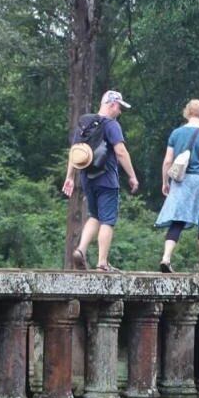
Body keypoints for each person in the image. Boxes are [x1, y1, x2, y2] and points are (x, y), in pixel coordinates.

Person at [62, 90, 140, 272]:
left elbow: (75, 152)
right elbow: (120, 151)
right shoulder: (111, 124)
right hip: (106, 178)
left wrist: (70, 177)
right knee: (107, 220)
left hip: (87, 178)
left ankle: (80, 250)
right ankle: (102, 263)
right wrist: (132, 176)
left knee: (95, 216)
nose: (120, 112)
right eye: (119, 107)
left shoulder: (85, 123)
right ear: (112, 104)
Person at [154, 99, 199, 273]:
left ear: (187, 113)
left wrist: (165, 182)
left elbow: (168, 160)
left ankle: (166, 258)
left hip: (179, 181)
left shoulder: (176, 133)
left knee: (177, 220)